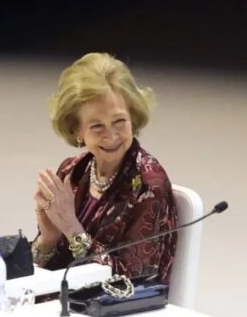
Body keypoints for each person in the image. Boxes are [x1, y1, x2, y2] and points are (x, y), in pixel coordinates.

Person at [30, 52, 177, 283]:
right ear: (77, 130)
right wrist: (47, 240)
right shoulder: (71, 173)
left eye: (119, 121)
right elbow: (47, 271)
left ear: (133, 117)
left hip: (115, 305)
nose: (111, 136)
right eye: (97, 126)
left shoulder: (148, 185)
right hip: (61, 298)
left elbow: (131, 282)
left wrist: (72, 229)